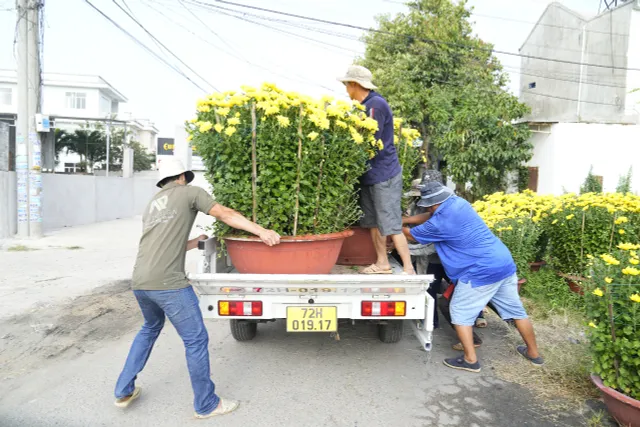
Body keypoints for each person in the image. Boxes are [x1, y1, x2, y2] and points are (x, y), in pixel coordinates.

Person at [114, 157, 280, 418]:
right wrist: (260, 231)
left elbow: (159, 244)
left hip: (141, 282)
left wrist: (193, 242)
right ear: (182, 176)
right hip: (169, 284)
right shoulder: (190, 192)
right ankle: (206, 404)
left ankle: (123, 390)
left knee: (149, 328)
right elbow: (225, 214)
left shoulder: (153, 204)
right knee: (196, 340)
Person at [404, 181, 544, 373]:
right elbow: (430, 214)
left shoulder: (439, 223)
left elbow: (411, 237)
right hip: (503, 262)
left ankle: (470, 360)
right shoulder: (459, 203)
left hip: (480, 270)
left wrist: (395, 225)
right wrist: (407, 219)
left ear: (429, 203)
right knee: (516, 311)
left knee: (459, 310)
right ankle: (533, 354)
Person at [338, 64, 415, 275]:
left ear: (355, 84)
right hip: (370, 175)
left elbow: (369, 140)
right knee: (373, 222)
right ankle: (382, 263)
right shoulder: (365, 106)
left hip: (384, 174)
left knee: (390, 222)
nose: (346, 91)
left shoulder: (375, 105)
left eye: (347, 85)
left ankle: (408, 268)